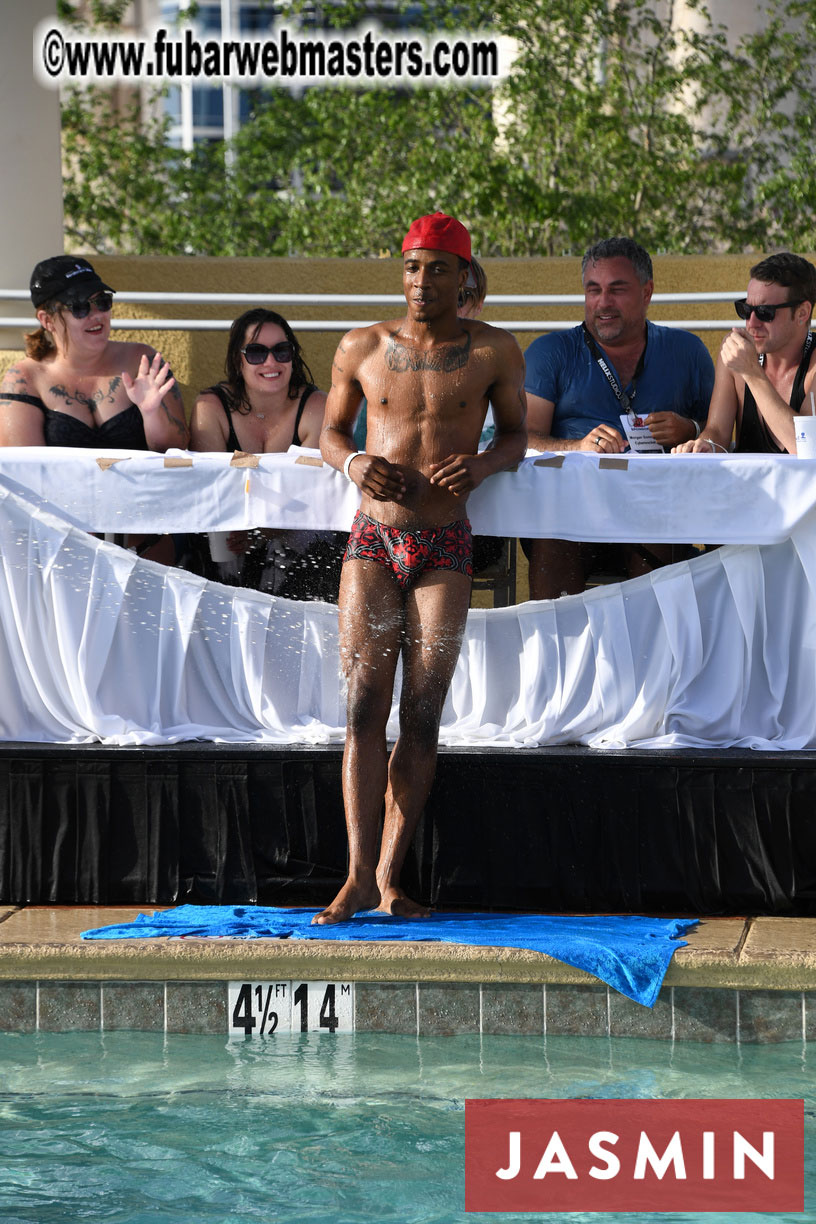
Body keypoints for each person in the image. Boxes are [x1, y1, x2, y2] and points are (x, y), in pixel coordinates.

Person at [315, 212, 527, 924]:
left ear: (465, 274)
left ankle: (391, 876)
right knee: (362, 706)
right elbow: (330, 430)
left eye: (438, 267)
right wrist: (355, 462)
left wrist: (486, 462)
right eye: (412, 266)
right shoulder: (362, 346)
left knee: (424, 713)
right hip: (373, 541)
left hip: (445, 543)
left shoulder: (494, 350)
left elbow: (519, 434)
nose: (422, 280)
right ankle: (355, 879)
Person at [522, 237, 714, 599]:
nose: (603, 303)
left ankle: (658, 652)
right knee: (552, 537)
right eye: (593, 290)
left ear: (647, 292)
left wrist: (690, 430)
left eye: (617, 290)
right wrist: (575, 447)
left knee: (663, 536)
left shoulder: (687, 351)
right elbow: (522, 438)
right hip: (569, 516)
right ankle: (557, 653)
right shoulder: (551, 352)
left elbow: (722, 437)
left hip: (656, 511)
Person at [0, 256, 188, 562]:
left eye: (102, 301)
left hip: (149, 539)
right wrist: (84, 542)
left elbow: (177, 450)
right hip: (66, 547)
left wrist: (152, 413)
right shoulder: (25, 379)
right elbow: (24, 480)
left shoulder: (141, 359)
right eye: (79, 307)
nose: (96, 315)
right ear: (47, 320)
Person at [190, 307, 342, 599]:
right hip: (229, 531)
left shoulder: (316, 405)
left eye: (281, 351)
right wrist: (248, 531)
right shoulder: (211, 407)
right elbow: (210, 486)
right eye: (257, 352)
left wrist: (261, 533)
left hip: (293, 530)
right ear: (238, 359)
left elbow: (309, 489)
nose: (271, 361)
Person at [672, 252, 816, 456]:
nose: (751, 323)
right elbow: (717, 432)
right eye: (746, 309)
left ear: (802, 313)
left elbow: (806, 448)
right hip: (749, 487)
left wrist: (753, 374)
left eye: (766, 312)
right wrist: (705, 445)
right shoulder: (735, 353)